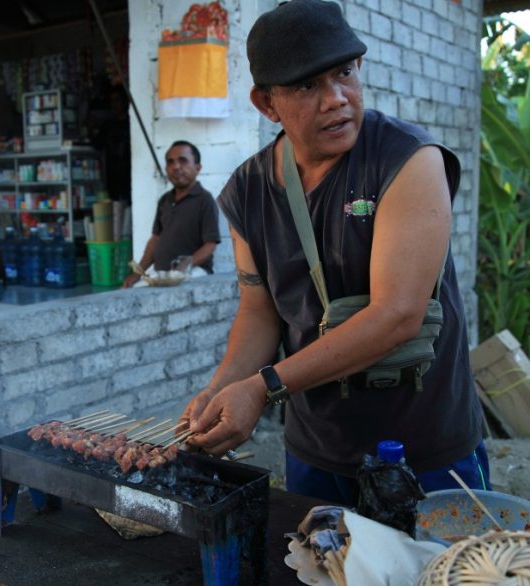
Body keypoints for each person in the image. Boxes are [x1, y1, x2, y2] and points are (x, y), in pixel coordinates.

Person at [182, 0, 489, 506]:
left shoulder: (409, 161)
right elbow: (259, 312)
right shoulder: (247, 191)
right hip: (316, 449)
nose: (336, 99)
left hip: (426, 448)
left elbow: (398, 316)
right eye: (307, 86)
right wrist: (222, 390)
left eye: (344, 73)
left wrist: (261, 388)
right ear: (267, 104)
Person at [122, 140, 221, 288]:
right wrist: (138, 273)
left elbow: (210, 245)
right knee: (130, 291)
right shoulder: (164, 200)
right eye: (170, 162)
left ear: (197, 168)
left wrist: (185, 265)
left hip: (194, 273)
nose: (176, 166)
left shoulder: (204, 200)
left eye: (183, 160)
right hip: (164, 274)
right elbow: (155, 240)